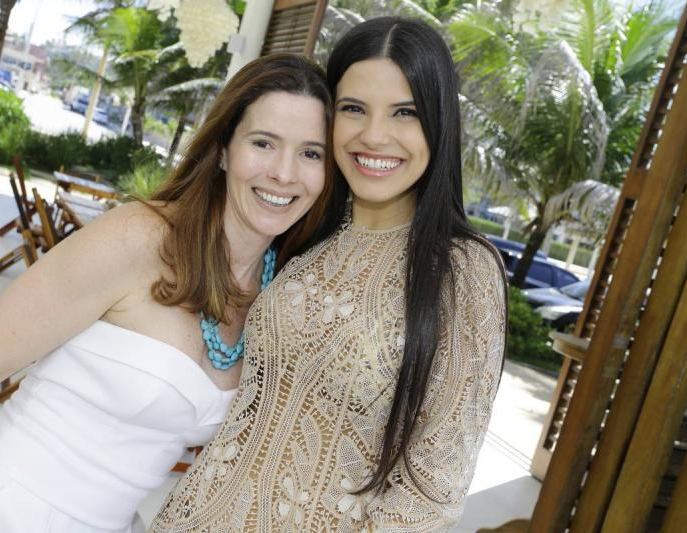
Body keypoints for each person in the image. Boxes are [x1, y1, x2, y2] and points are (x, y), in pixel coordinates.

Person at [0, 53, 332, 533]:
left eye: (311, 153)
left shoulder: (280, 298)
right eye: (264, 143)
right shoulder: (141, 238)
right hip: (8, 511)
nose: (284, 173)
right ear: (223, 150)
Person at [151, 17, 508, 532]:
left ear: (438, 122)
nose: (375, 135)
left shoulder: (461, 271)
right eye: (354, 109)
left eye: (405, 112)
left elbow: (432, 492)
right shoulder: (304, 226)